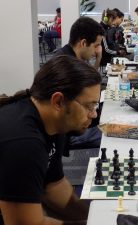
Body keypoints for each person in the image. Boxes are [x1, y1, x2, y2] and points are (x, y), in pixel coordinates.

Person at [0, 55, 101, 225]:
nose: (94, 114)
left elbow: (53, 188)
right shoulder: (24, 144)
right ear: (58, 101)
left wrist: (95, 218)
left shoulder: (55, 124)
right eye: (89, 106)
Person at [54, 17, 104, 150]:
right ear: (83, 43)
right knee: (112, 134)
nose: (98, 50)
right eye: (96, 45)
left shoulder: (74, 56)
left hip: (74, 121)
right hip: (67, 133)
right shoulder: (65, 65)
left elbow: (90, 79)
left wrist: (98, 58)